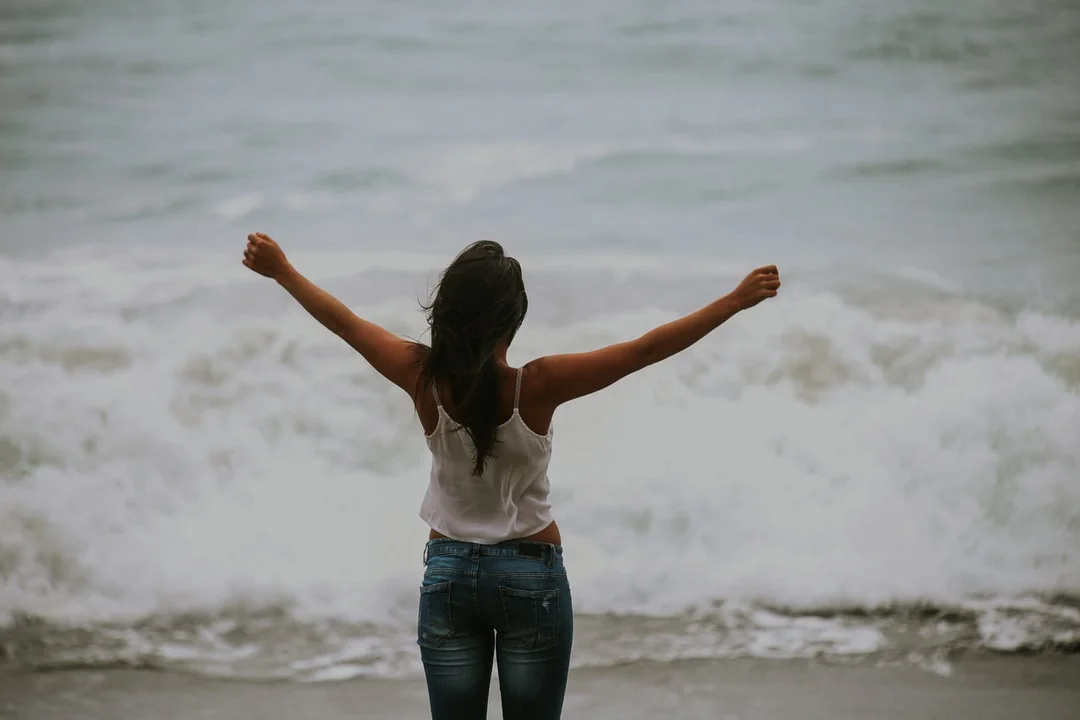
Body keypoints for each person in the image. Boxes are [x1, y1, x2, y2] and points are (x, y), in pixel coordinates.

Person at [241, 233, 781, 720]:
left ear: (447, 312)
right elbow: (643, 350)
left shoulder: (421, 376)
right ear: (513, 317)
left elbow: (345, 323)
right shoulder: (538, 384)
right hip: (531, 575)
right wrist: (733, 301)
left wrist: (283, 271)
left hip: (448, 574)